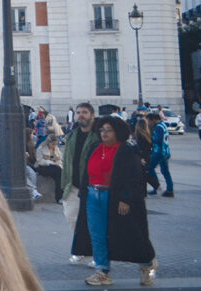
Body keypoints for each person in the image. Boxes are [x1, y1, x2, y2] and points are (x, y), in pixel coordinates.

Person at [72, 116, 158, 287]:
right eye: (102, 130)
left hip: (114, 197)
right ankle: (102, 271)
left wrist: (125, 198)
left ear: (117, 132)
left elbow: (134, 177)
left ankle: (147, 264)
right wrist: (84, 193)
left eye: (108, 130)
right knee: (97, 234)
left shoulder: (127, 151)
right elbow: (86, 173)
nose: (104, 133)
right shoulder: (95, 148)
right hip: (93, 195)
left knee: (131, 234)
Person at [62, 102, 100, 264]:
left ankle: (96, 254)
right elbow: (66, 161)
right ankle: (80, 250)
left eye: (84, 112)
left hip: (92, 185)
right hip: (72, 184)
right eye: (78, 112)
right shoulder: (72, 135)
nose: (80, 115)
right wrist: (64, 183)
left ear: (92, 115)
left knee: (93, 222)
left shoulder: (98, 136)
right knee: (72, 217)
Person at [145, 112, 173, 197]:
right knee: (165, 171)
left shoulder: (158, 127)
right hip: (166, 151)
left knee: (150, 168)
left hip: (159, 152)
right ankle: (170, 189)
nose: (149, 123)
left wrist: (149, 138)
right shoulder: (163, 125)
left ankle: (156, 187)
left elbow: (157, 139)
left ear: (154, 120)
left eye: (149, 121)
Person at [35, 132, 63, 203]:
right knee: (58, 171)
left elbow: (59, 159)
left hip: (55, 167)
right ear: (48, 143)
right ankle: (59, 197)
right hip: (42, 167)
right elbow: (39, 161)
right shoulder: (41, 148)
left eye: (56, 144)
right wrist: (50, 162)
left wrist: (58, 163)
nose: (54, 146)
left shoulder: (56, 148)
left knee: (59, 174)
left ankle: (60, 196)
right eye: (53, 144)